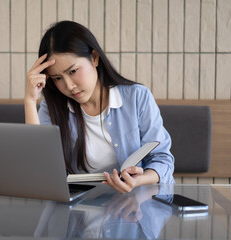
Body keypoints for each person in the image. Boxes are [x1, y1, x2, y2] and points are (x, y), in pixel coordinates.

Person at [24, 20, 174, 193]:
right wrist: (29, 99)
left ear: (94, 58)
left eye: (73, 71)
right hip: (81, 210)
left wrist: (139, 180)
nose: (69, 85)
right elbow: (39, 169)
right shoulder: (52, 108)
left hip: (135, 207)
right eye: (57, 78)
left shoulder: (137, 97)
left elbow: (163, 159)